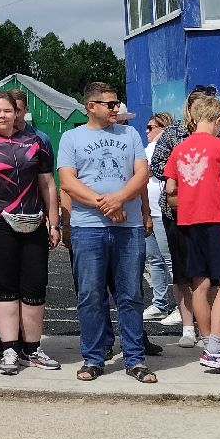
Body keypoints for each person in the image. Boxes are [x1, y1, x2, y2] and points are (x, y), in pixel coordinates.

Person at [59, 82, 154, 384]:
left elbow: (142, 174)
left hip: (128, 227)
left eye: (117, 103)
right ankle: (94, 357)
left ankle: (135, 359)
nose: (116, 109)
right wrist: (106, 205)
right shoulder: (71, 137)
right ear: (91, 106)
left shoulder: (130, 134)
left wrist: (119, 199)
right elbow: (68, 182)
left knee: (130, 294)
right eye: (111, 104)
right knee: (90, 295)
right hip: (88, 229)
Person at [0, 90, 61, 376]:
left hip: (34, 222)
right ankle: (9, 348)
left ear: (17, 113)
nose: (4, 116)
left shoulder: (36, 143)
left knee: (35, 286)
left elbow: (48, 185)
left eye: (8, 111)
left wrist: (54, 223)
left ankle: (32, 349)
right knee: (4, 286)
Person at [163, 94, 220, 375]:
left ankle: (209, 345)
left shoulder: (179, 148)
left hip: (188, 221)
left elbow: (170, 190)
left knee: (199, 282)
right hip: (217, 219)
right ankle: (216, 346)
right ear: (218, 120)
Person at [150, 86, 220, 349]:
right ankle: (188, 326)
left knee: (210, 276)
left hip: (209, 212)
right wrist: (187, 172)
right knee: (182, 271)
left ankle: (211, 329)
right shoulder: (173, 134)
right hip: (177, 211)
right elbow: (157, 166)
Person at [142, 112, 180, 326]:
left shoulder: (167, 147)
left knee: (170, 260)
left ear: (163, 128)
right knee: (154, 260)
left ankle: (181, 306)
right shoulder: (148, 148)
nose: (147, 131)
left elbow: (147, 171)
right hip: (150, 210)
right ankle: (159, 303)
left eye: (151, 127)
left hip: (162, 210)